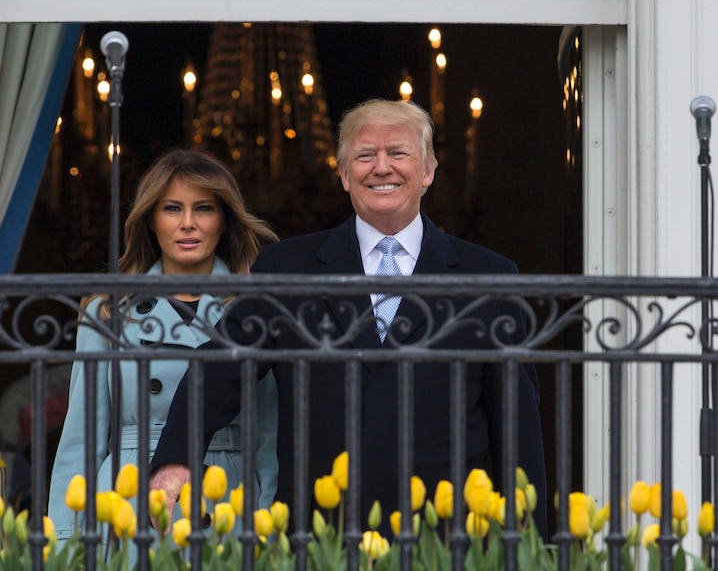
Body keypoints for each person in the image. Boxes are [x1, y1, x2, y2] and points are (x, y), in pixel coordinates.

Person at [149, 99, 548, 536]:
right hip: (320, 536)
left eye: (398, 153)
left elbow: (516, 428)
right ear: (343, 175)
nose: (381, 168)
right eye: (364, 156)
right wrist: (176, 459)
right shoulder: (288, 268)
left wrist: (529, 545)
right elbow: (221, 368)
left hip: (444, 539)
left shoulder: (488, 277)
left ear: (428, 171)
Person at [48, 149, 280, 543]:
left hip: (228, 499)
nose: (188, 224)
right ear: (150, 222)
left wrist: (271, 534)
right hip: (128, 500)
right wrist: (66, 542)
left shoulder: (257, 310)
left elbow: (270, 438)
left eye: (203, 208)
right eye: (172, 209)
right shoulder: (108, 312)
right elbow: (81, 439)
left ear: (224, 221)